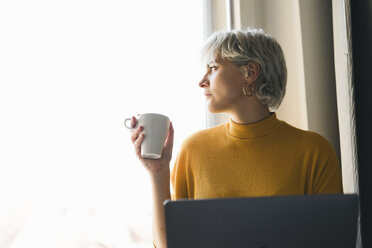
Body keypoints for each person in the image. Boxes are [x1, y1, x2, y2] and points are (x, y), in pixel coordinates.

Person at [128, 28, 343, 248]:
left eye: (213, 67)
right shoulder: (193, 149)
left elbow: (333, 241)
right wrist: (158, 172)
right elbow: (171, 245)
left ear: (250, 72)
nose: (202, 81)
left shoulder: (314, 151)